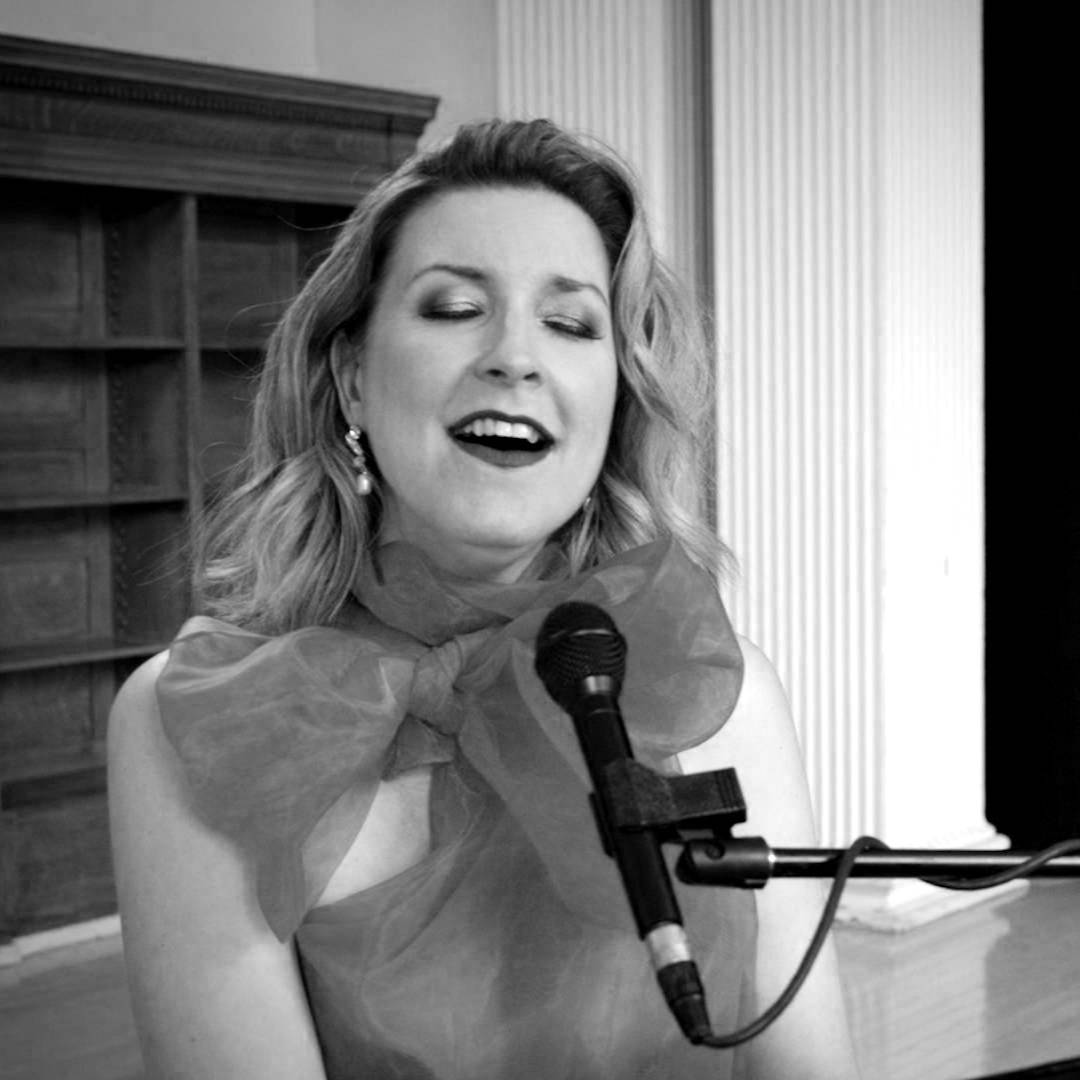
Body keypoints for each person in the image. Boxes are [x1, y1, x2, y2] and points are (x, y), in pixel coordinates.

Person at [108, 118, 860, 1079]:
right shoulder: (196, 718)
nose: (515, 355)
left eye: (573, 324)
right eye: (456, 306)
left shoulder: (720, 689)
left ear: (617, 402)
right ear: (350, 379)